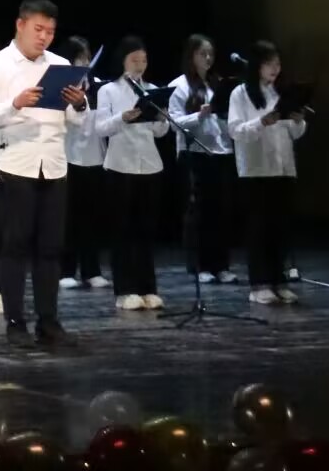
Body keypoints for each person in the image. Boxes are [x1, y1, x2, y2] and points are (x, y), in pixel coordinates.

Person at [0, 0, 89, 350]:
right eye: (38, 29)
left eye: (50, 31)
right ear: (20, 25)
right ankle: (15, 323)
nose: (44, 37)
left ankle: (49, 321)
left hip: (52, 164)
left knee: (51, 248)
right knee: (16, 245)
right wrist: (15, 104)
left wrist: (79, 103)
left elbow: (76, 120)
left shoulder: (60, 65)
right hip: (13, 164)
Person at [228, 40, 307, 305]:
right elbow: (235, 131)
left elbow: (294, 132)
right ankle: (259, 284)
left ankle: (278, 281)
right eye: (269, 64)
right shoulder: (241, 93)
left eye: (278, 64)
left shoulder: (280, 91)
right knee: (258, 229)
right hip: (256, 170)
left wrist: (298, 121)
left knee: (280, 228)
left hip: (283, 167)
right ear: (257, 65)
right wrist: (262, 122)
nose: (275, 69)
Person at [96, 36, 171, 311]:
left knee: (146, 232)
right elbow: (100, 128)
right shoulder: (109, 90)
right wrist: (122, 118)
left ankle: (148, 288)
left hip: (150, 165)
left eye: (144, 60)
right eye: (134, 60)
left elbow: (159, 132)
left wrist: (162, 119)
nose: (140, 65)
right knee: (122, 231)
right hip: (120, 166)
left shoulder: (153, 90)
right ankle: (125, 290)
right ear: (123, 61)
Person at [168, 34, 237, 284]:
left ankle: (220, 265)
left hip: (220, 151)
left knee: (221, 211)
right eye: (202, 54)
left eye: (211, 54)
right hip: (194, 153)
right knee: (199, 212)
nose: (208, 58)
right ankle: (200, 266)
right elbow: (174, 122)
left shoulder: (217, 84)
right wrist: (199, 115)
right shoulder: (180, 85)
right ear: (191, 56)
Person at [59, 36, 110, 291]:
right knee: (69, 217)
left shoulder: (98, 85)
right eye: (81, 57)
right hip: (70, 157)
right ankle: (66, 270)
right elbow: (68, 119)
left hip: (95, 156)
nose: (86, 61)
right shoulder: (63, 86)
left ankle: (92, 271)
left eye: (88, 56)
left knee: (92, 217)